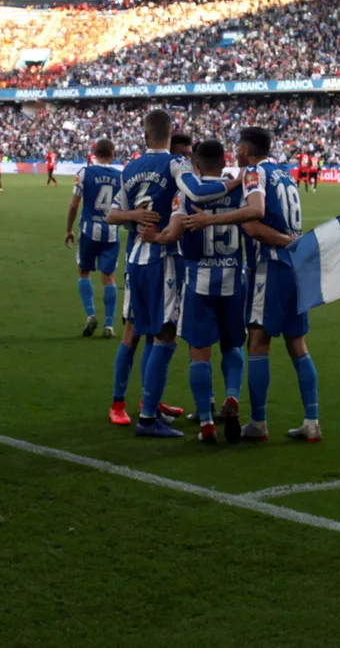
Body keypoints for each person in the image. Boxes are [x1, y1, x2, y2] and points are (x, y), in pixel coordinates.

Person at [105, 110, 231, 436]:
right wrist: (242, 180)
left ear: (145, 134)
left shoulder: (130, 167)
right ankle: (146, 417)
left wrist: (135, 214)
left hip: (135, 257)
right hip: (164, 258)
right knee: (163, 334)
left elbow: (112, 215)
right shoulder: (175, 165)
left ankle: (141, 405)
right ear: (170, 132)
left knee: (140, 331)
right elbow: (199, 192)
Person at [148, 139, 253, 444]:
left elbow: (173, 234)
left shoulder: (186, 194)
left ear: (195, 163)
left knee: (199, 352)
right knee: (233, 346)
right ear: (224, 160)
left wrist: (155, 237)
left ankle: (206, 422)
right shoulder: (239, 190)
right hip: (234, 279)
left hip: (198, 281)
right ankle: (231, 398)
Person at [235, 125, 319, 442]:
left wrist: (282, 241)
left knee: (257, 343)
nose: (235, 151)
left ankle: (258, 422)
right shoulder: (285, 173)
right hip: (295, 268)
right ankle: (312, 420)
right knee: (297, 344)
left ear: (246, 150)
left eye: (237, 146)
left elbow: (254, 227)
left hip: (269, 267)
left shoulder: (255, 174)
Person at [64, 138, 122, 338]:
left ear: (94, 153)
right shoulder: (121, 177)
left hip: (89, 231)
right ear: (112, 154)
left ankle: (90, 315)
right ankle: (109, 326)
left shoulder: (84, 173)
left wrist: (68, 230)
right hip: (112, 232)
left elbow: (73, 205)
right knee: (109, 277)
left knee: (84, 272)